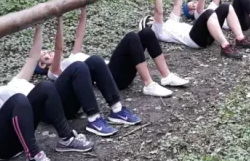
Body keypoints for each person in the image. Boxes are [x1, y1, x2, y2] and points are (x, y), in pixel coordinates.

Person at [39, 8, 189, 132]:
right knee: (129, 38)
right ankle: (148, 84)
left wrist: (83, 8)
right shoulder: (55, 71)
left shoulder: (73, 55)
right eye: (45, 58)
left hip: (113, 72)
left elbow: (79, 34)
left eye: (47, 51)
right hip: (111, 75)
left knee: (146, 33)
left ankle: (166, 76)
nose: (48, 54)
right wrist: (59, 20)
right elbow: (59, 48)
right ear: (43, 66)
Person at [149, 0, 250, 59]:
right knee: (209, 13)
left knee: (226, 7)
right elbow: (159, 12)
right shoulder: (158, 31)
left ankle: (240, 39)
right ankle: (225, 46)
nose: (151, 19)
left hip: (205, 35)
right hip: (194, 40)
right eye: (149, 20)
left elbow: (177, 4)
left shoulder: (171, 21)